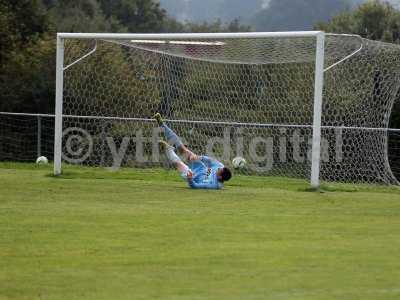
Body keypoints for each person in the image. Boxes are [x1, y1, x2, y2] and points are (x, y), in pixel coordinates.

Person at [154, 113, 232, 189]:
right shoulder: (220, 166)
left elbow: (195, 186)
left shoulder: (214, 185)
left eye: (219, 170)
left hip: (192, 175)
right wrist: (199, 157)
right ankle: (162, 124)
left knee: (178, 164)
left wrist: (190, 179)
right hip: (199, 166)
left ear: (220, 177)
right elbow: (210, 160)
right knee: (182, 149)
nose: (218, 168)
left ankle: (168, 149)